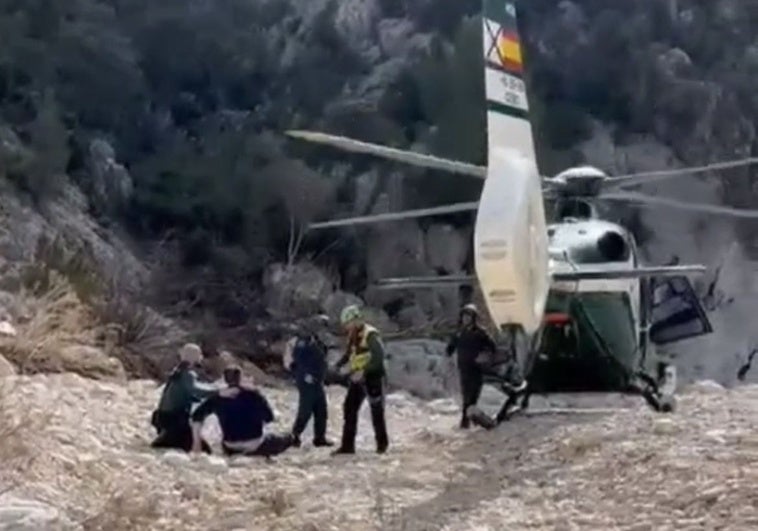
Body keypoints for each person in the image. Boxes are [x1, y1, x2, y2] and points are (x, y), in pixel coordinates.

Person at [190, 365, 295, 457]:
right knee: (288, 437)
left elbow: (196, 416)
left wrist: (197, 441)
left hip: (230, 445)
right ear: (241, 378)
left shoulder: (219, 397)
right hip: (254, 443)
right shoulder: (254, 394)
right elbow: (269, 418)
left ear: (224, 379)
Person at [332, 305, 389, 455]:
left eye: (347, 323)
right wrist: (338, 365)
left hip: (372, 376)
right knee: (349, 408)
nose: (346, 327)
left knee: (376, 411)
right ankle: (347, 446)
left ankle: (382, 445)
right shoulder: (353, 335)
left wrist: (364, 371)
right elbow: (350, 353)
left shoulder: (370, 335)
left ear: (355, 320)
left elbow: (379, 357)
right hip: (358, 376)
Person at [150, 343, 222, 453]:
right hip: (176, 421)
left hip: (163, 417)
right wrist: (217, 391)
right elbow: (196, 391)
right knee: (206, 450)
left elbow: (183, 394)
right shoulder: (188, 374)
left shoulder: (177, 371)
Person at [445, 304, 497, 429]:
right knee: (466, 397)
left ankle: (469, 422)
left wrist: (484, 356)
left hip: (476, 369)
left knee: (472, 397)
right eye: (464, 316)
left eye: (468, 316)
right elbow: (450, 348)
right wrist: (448, 355)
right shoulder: (459, 333)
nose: (466, 319)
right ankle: (468, 422)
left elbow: (492, 348)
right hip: (463, 368)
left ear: (474, 318)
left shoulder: (480, 332)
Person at [290, 317, 334, 448]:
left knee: (321, 409)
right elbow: (298, 359)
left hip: (317, 380)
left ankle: (319, 437)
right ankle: (295, 435)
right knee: (305, 409)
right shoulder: (303, 341)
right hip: (307, 380)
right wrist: (305, 375)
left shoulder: (317, 341)